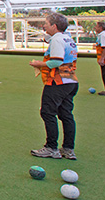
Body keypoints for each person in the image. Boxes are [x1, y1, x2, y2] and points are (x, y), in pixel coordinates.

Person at [28, 12, 78, 160]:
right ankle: (68, 149)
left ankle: (51, 148)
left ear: (54, 26)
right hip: (70, 81)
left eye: (47, 23)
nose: (44, 25)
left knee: (48, 113)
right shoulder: (68, 38)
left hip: (57, 82)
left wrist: (39, 64)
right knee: (66, 115)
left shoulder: (57, 40)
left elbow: (56, 61)